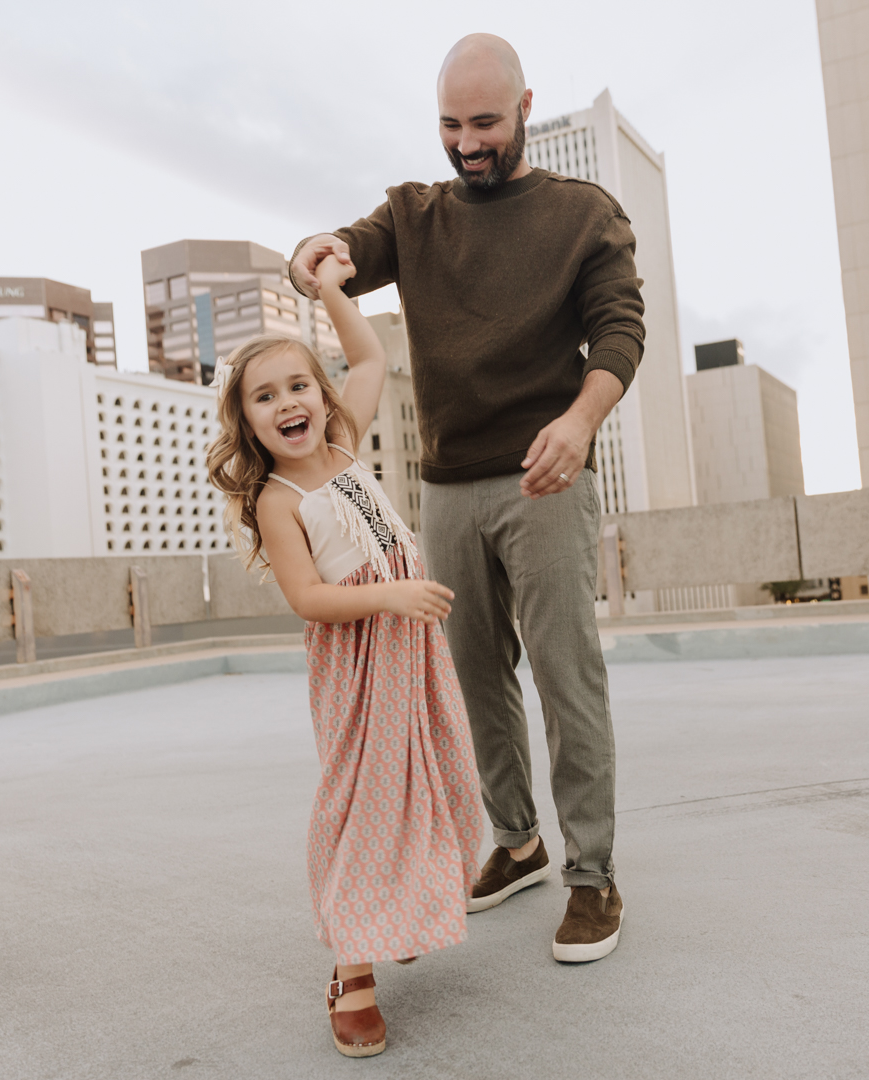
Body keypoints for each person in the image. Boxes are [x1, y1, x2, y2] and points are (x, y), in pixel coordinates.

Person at [289, 33, 643, 964]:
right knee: (473, 678)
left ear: (526, 106)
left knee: (567, 678)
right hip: (445, 489)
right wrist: (313, 252)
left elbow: (619, 333)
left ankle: (593, 876)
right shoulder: (416, 214)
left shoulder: (583, 215)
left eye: (484, 123)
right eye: (450, 125)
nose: (467, 142)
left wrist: (580, 421)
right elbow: (342, 253)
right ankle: (518, 842)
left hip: (545, 475)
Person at [206, 254, 482, 1058]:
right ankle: (351, 967)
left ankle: (399, 908)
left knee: (434, 777)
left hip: (414, 653)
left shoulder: (346, 445)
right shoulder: (278, 498)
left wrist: (328, 289)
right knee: (366, 804)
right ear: (249, 423)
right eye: (264, 397)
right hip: (360, 663)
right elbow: (309, 599)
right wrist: (391, 597)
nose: (286, 404)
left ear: (318, 397)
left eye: (297, 386)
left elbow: (371, 358)